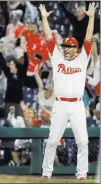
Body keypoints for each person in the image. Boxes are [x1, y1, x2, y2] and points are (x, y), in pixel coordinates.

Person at [39, 3, 96, 180]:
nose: (67, 49)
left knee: (83, 142)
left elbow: (88, 38)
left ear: (75, 49)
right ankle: (46, 173)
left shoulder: (82, 59)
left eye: (70, 47)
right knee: (52, 141)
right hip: (61, 104)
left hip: (77, 105)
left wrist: (92, 17)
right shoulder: (57, 58)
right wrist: (44, 19)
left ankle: (82, 175)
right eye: (65, 47)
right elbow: (48, 38)